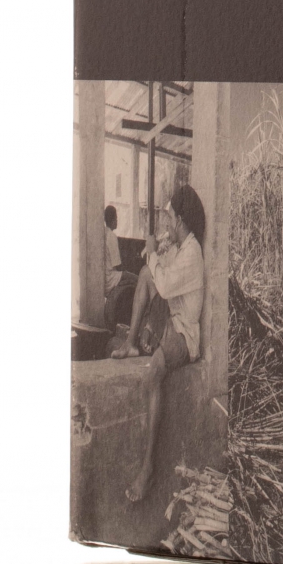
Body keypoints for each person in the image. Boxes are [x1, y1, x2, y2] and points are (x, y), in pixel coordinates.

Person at [115, 186, 207, 506]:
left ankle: (148, 466)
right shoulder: (182, 247)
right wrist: (157, 255)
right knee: (144, 273)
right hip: (171, 318)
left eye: (169, 219)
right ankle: (130, 343)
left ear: (180, 220)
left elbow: (166, 286)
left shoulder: (193, 253)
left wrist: (154, 252)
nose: (166, 224)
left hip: (184, 334)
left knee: (153, 373)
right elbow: (158, 275)